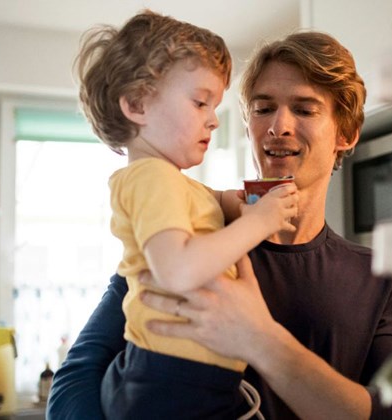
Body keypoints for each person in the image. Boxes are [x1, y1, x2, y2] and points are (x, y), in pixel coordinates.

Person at [47, 30, 392, 419]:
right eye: (262, 108)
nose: (279, 126)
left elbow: (390, 414)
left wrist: (260, 339)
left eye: (304, 109)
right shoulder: (192, 236)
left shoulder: (385, 281)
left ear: (346, 134)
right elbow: (75, 379)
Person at [72, 10, 299, 419]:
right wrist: (259, 221)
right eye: (200, 101)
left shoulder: (173, 183)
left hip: (183, 379)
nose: (213, 119)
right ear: (137, 104)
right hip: (168, 380)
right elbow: (176, 270)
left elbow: (215, 202)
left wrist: (242, 203)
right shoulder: (152, 179)